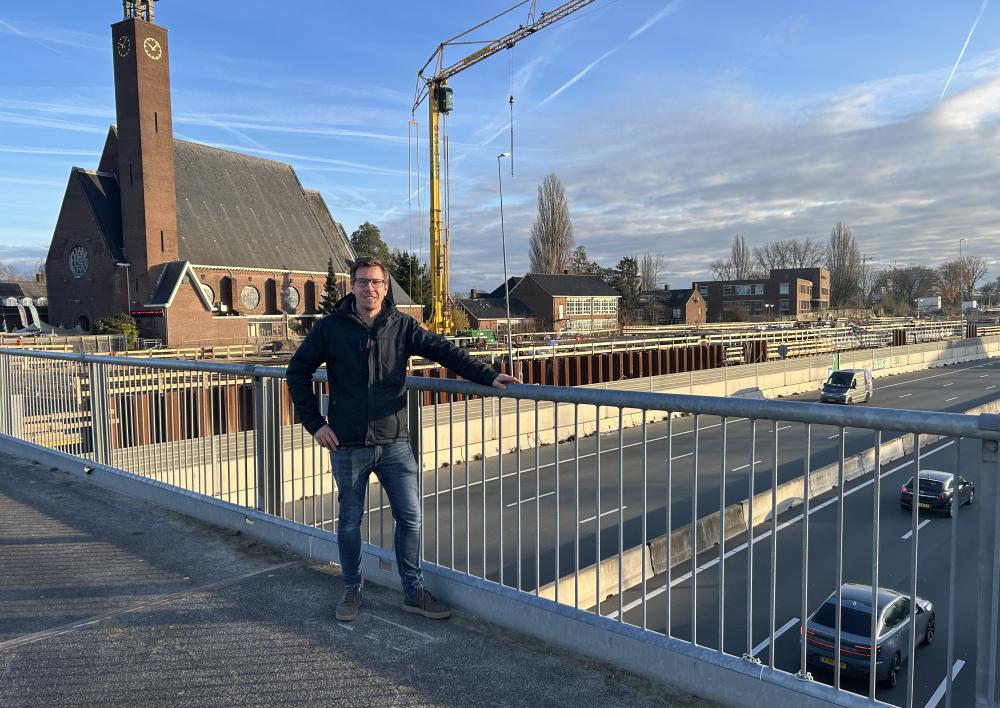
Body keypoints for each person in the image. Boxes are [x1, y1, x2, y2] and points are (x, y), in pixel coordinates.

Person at [286, 256, 519, 622]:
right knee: (349, 521)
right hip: (347, 444)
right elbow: (297, 371)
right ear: (352, 286)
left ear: (385, 286)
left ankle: (413, 590)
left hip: (395, 441)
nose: (370, 288)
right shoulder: (331, 328)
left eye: (376, 282)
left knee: (410, 519)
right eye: (363, 282)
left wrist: (488, 376)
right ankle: (352, 588)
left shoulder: (401, 325)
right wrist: (315, 424)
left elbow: (445, 351)